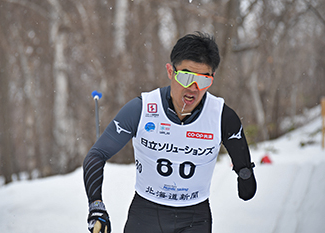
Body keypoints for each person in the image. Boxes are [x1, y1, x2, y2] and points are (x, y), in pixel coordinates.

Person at [83, 31, 257, 233]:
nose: (193, 88)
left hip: (195, 217)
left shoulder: (222, 117)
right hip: (146, 214)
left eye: (203, 81)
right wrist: (96, 206)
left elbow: (246, 180)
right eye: (185, 77)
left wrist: (245, 174)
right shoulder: (143, 109)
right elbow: (97, 155)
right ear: (170, 71)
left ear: (213, 78)